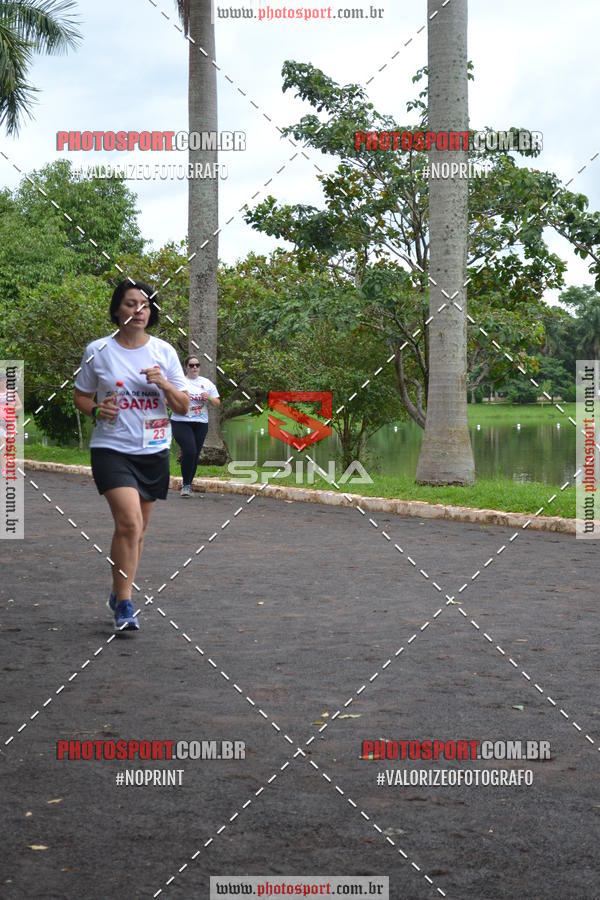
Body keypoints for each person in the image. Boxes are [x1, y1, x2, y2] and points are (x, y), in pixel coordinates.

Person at [73, 280, 189, 631]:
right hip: (111, 448)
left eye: (145, 305)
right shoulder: (99, 350)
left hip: (153, 450)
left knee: (136, 533)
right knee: (129, 523)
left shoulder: (164, 352)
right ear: (117, 309)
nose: (139, 311)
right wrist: (96, 411)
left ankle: (117, 590)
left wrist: (164, 384)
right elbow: (81, 397)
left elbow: (184, 406)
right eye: (131, 304)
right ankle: (125, 604)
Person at [171, 356, 220, 497]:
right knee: (190, 450)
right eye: (191, 365)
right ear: (186, 367)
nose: (194, 368)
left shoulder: (206, 383)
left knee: (194, 455)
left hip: (200, 423)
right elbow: (168, 399)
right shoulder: (179, 382)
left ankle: (188, 484)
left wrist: (209, 398)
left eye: (197, 365)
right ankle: (186, 486)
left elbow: (217, 403)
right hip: (181, 421)